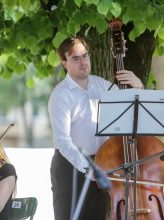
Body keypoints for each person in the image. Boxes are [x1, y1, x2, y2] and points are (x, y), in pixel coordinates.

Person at [48, 36, 144, 220]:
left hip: (102, 161)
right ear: (64, 63)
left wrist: (138, 86)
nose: (83, 62)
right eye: (75, 58)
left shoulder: (104, 86)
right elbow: (63, 142)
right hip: (70, 167)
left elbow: (132, 110)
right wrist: (89, 169)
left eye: (85, 56)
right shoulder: (60, 95)